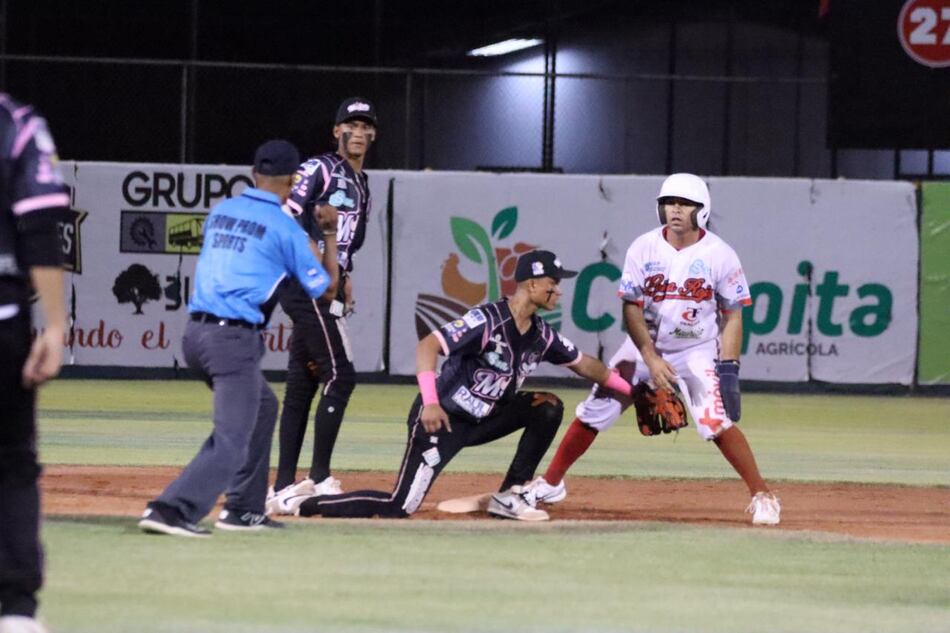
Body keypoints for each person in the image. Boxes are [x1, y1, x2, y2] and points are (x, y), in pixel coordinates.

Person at [282, 250, 636, 522]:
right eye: (553, 283)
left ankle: (510, 496)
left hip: (486, 418)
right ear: (532, 284)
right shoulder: (486, 320)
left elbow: (587, 366)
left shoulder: (541, 335)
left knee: (547, 405)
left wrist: (632, 390)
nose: (558, 290)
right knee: (400, 505)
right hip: (443, 419)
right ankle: (303, 503)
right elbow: (428, 346)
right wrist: (430, 401)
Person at [528, 173, 781, 526]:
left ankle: (762, 494)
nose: (675, 210)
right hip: (643, 347)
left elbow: (733, 314)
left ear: (702, 210)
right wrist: (648, 356)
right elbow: (630, 306)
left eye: (684, 204)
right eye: (669, 203)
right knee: (595, 409)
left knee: (714, 422)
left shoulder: (720, 255)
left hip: (695, 351)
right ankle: (552, 483)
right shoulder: (643, 247)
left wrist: (729, 368)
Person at [138, 139, 337, 537]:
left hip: (195, 335)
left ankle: (244, 509)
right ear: (293, 180)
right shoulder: (285, 228)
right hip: (232, 340)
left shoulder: (222, 211)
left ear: (253, 174)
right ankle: (171, 509)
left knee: (262, 408)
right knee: (233, 436)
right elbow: (327, 290)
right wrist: (330, 233)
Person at [268, 97, 377, 512]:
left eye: (366, 125)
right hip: (305, 279)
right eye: (350, 123)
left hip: (326, 282)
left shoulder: (362, 182)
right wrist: (312, 252)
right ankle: (316, 478)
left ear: (373, 135)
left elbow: (349, 243)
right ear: (336, 131)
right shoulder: (320, 168)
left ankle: (280, 487)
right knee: (339, 375)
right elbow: (286, 210)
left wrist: (344, 277)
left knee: (302, 383)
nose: (359, 131)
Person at [0, 94, 69, 633]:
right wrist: (53, 323)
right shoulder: (16, 124)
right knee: (12, 466)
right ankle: (16, 613)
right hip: (2, 317)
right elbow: (40, 225)